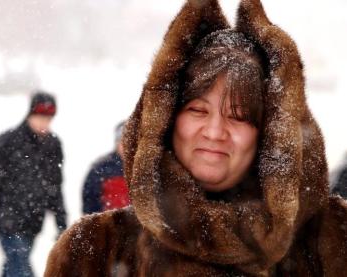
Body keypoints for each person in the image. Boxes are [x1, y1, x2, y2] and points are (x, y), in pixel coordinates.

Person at [44, 0, 347, 276]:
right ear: (166, 120)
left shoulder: (333, 242)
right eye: (197, 110)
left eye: (238, 116)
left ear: (269, 134)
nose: (215, 132)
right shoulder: (94, 251)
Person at [0, 91, 67, 277]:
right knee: (20, 263)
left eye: (48, 118)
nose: (44, 123)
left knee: (14, 265)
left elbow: (55, 186)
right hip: (7, 219)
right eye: (40, 117)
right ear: (30, 114)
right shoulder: (7, 142)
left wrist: (61, 221)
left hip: (33, 220)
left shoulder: (53, 145)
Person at [82, 121, 129, 214]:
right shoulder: (101, 167)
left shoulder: (145, 169)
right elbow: (89, 200)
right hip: (109, 224)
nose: (127, 146)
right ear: (117, 143)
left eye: (131, 142)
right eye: (123, 142)